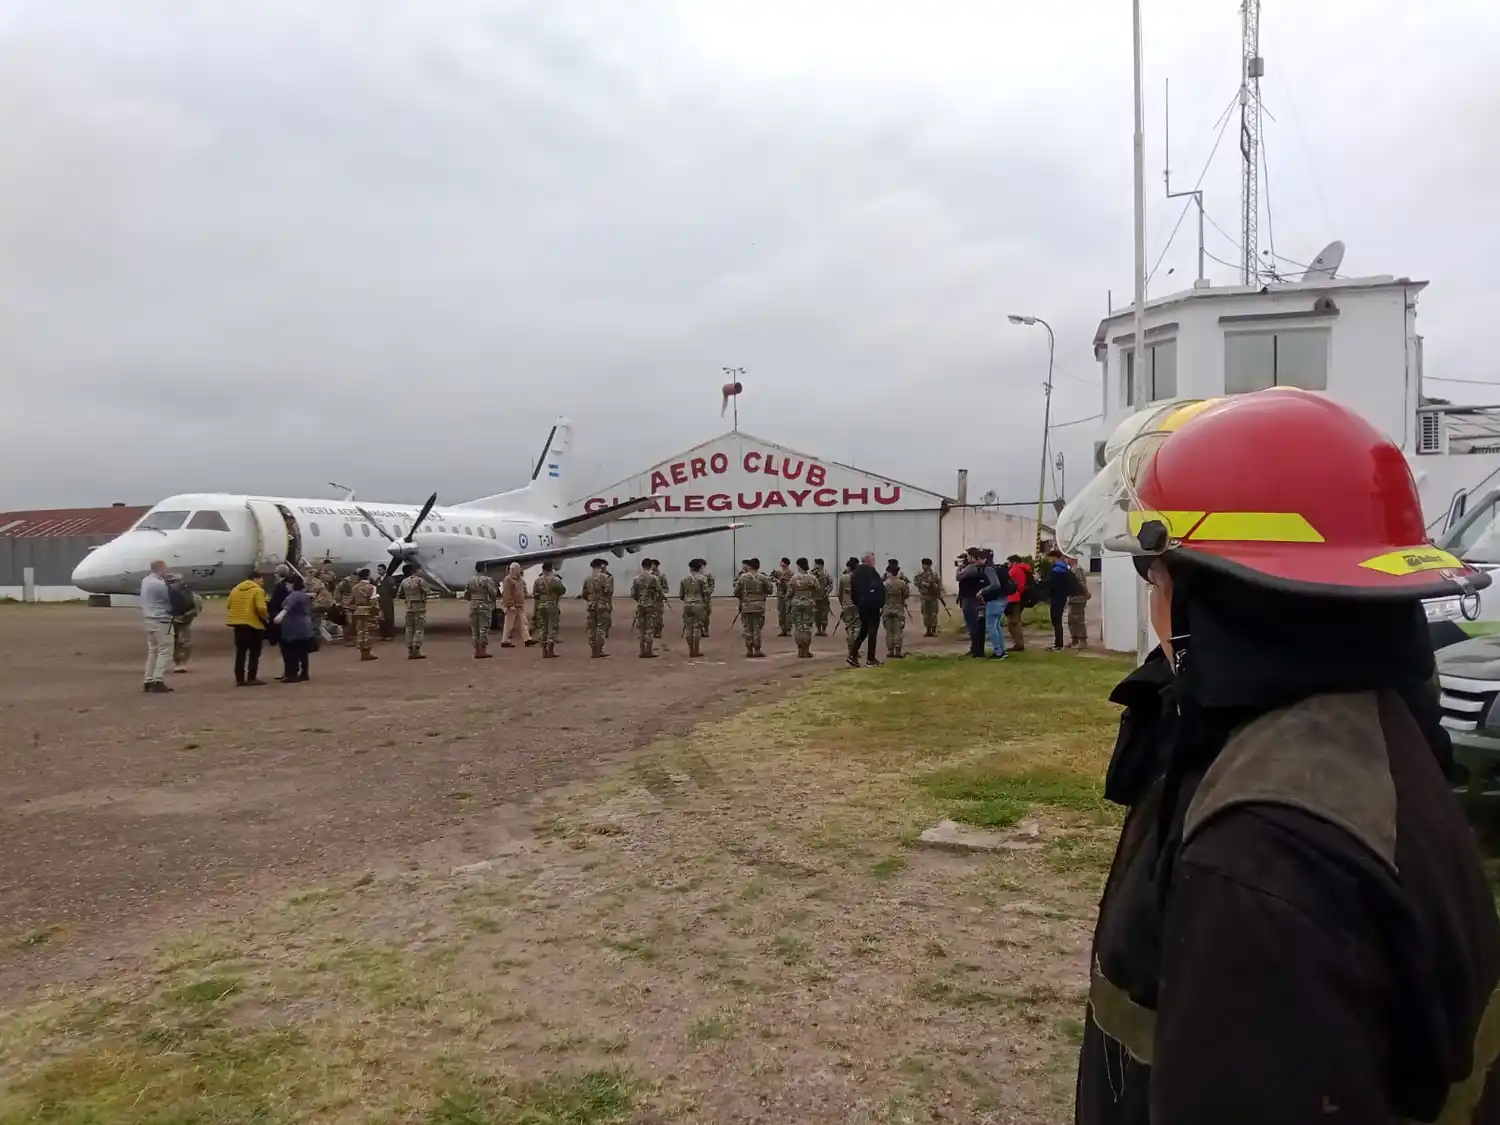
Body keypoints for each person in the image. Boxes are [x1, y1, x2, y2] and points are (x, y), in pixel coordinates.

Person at [1060, 388, 1500, 1124]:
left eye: (1157, 572)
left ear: (1217, 594)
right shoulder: (1365, 718)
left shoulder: (1266, 852)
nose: (1154, 597)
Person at [226, 570, 269, 686]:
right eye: (261, 580)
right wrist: (266, 618)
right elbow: (261, 608)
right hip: (253, 624)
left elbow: (229, 605)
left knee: (240, 652)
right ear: (255, 579)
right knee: (254, 653)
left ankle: (239, 679)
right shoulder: (258, 590)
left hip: (237, 623)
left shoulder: (235, 589)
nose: (262, 582)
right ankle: (251, 677)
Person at [139, 559, 175, 693]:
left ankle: (148, 679)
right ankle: (157, 679)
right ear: (161, 568)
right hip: (161, 619)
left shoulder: (146, 580)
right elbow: (170, 598)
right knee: (165, 650)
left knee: (153, 651)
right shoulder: (159, 584)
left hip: (148, 618)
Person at [275, 574, 315, 682]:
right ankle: (304, 673)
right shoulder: (303, 595)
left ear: (292, 584)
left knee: (292, 651)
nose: (286, 586)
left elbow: (288, 607)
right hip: (305, 626)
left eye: (287, 583)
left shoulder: (294, 595)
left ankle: (292, 674)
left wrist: (280, 616)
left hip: (294, 627)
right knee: (302, 652)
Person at [849, 552, 885, 667]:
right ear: (868, 560)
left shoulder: (855, 573)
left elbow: (853, 591)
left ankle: (852, 655)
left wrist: (858, 603)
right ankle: (871, 658)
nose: (874, 562)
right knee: (872, 631)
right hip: (873, 606)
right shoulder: (872, 572)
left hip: (862, 606)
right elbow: (880, 588)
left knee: (863, 631)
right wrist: (881, 604)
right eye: (873, 560)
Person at [733, 558, 774, 658]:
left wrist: (744, 597)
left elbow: (736, 592)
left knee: (747, 628)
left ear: (750, 566)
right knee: (757, 628)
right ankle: (757, 649)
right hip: (759, 605)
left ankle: (749, 650)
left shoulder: (742, 577)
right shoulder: (763, 577)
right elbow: (770, 590)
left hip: (746, 605)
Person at [165, 573, 202, 675]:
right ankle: (177, 662)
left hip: (185, 620)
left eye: (174, 582)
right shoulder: (167, 594)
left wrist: (186, 615)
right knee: (175, 641)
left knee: (185, 642)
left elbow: (197, 607)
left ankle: (184, 662)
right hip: (172, 620)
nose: (172, 584)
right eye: (170, 582)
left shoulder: (190, 594)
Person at [954, 549, 987, 658]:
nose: (967, 559)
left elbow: (958, 577)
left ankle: (975, 649)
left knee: (972, 624)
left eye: (968, 556)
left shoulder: (971, 567)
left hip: (969, 598)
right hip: (974, 597)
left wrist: (959, 568)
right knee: (975, 624)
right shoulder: (979, 567)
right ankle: (976, 649)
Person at [398, 563, 434, 659]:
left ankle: (410, 649)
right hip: (419, 606)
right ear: (414, 571)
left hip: (408, 606)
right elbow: (428, 591)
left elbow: (399, 594)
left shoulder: (403, 582)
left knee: (409, 628)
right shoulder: (420, 580)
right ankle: (416, 649)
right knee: (418, 629)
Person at [532, 561, 566, 658]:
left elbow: (535, 594)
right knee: (552, 627)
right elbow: (562, 590)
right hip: (552, 604)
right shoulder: (555, 580)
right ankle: (550, 649)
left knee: (543, 627)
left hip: (541, 605)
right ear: (551, 569)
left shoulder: (537, 581)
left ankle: (544, 649)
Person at [465, 563, 499, 658]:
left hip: (473, 605)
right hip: (484, 605)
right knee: (483, 628)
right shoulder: (487, 580)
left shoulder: (470, 580)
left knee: (475, 629)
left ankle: (476, 650)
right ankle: (483, 650)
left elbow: (466, 594)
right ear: (484, 569)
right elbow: (493, 593)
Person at [631, 559, 663, 658]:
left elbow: (633, 593)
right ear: (651, 566)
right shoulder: (654, 578)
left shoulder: (636, 579)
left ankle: (642, 650)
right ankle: (648, 650)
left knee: (641, 628)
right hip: (651, 605)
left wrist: (639, 599)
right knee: (650, 628)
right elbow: (659, 591)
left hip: (640, 604)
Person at [788, 557, 818, 658]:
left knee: (798, 626)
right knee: (807, 626)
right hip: (808, 603)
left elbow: (789, 593)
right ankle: (807, 649)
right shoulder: (812, 578)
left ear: (798, 566)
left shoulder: (794, 578)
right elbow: (817, 590)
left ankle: (800, 649)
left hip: (796, 603)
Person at [681, 559, 711, 658]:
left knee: (689, 628)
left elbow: (681, 595)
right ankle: (696, 650)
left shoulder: (684, 579)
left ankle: (690, 649)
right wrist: (706, 604)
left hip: (687, 604)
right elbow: (706, 593)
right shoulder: (702, 578)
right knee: (697, 628)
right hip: (699, 604)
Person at [881, 560, 911, 660]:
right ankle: (898, 651)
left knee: (889, 631)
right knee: (898, 631)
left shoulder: (885, 584)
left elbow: (881, 597)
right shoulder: (902, 583)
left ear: (889, 572)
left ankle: (890, 651)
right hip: (898, 609)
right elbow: (906, 595)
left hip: (887, 609)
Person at [582, 558, 612, 657]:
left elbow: (584, 593)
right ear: (601, 566)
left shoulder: (587, 579)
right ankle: (599, 649)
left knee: (592, 628)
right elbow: (608, 591)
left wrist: (590, 599)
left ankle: (593, 649)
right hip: (602, 604)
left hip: (591, 605)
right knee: (601, 627)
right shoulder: (604, 578)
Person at [1045, 548, 1072, 651]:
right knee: (1057, 621)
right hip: (1062, 597)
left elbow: (1051, 584)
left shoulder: (1057, 570)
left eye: (1050, 558)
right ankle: (1058, 643)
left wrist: (1039, 581)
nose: (1050, 560)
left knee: (1056, 620)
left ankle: (1058, 644)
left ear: (1054, 558)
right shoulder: (1064, 568)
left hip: (1057, 597)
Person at [1004, 553, 1030, 652]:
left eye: (1009, 563)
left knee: (1013, 622)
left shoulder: (1015, 570)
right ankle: (1019, 644)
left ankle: (1019, 645)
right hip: (1020, 597)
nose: (1008, 565)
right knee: (1014, 621)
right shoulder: (1024, 569)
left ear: (1014, 562)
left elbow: (1010, 583)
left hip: (1014, 598)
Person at [912, 558, 944, 638]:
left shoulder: (934, 575)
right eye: (923, 564)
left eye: (925, 565)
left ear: (929, 565)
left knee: (933, 613)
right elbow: (916, 582)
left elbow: (939, 585)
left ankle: (933, 630)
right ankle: (928, 630)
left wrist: (939, 593)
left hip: (932, 596)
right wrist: (923, 583)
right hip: (924, 596)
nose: (923, 566)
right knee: (926, 614)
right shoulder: (920, 575)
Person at [837, 557, 860, 662]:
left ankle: (851, 650)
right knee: (857, 628)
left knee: (849, 628)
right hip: (858, 605)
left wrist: (843, 604)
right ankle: (856, 650)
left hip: (847, 605)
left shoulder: (843, 578)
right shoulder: (861, 577)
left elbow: (839, 594)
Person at [1066, 554, 1091, 648]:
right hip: (1073, 597)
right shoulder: (1071, 569)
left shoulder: (1077, 570)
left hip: (1078, 597)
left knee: (1078, 619)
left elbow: (1080, 583)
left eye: (1067, 557)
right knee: (1071, 620)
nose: (1066, 559)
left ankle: (1083, 640)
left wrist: (1086, 593)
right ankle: (1074, 639)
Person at [812, 558, 833, 636]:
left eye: (816, 564)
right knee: (816, 614)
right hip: (815, 597)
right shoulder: (812, 574)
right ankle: (818, 629)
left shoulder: (826, 574)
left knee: (824, 614)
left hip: (824, 597)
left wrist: (827, 591)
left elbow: (830, 584)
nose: (814, 565)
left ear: (820, 565)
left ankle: (824, 629)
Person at [773, 557, 793, 636]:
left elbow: (792, 584)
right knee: (781, 613)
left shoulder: (791, 573)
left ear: (785, 563)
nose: (780, 563)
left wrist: (786, 583)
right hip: (780, 595)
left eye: (782, 562)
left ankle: (788, 630)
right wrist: (776, 580)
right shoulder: (778, 572)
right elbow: (770, 577)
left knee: (788, 613)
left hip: (788, 595)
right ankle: (782, 629)